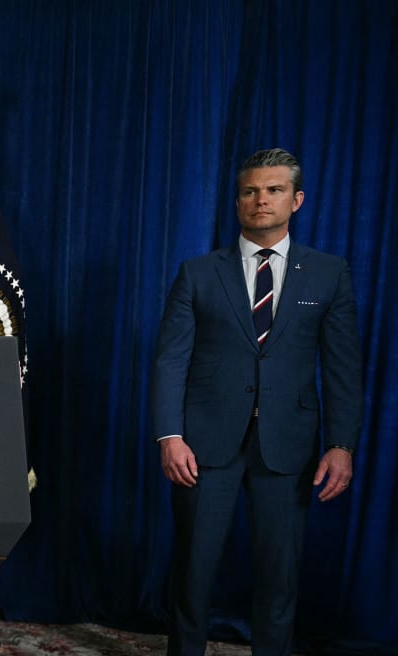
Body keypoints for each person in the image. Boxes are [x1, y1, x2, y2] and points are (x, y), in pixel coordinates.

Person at [152, 148, 363, 655]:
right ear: (238, 200)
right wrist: (169, 434)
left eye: (273, 190)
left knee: (279, 577)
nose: (260, 200)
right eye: (250, 191)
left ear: (297, 200)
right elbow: (170, 361)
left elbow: (342, 368)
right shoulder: (198, 273)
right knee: (194, 573)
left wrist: (341, 445)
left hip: (288, 448)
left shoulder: (329, 274)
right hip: (203, 446)